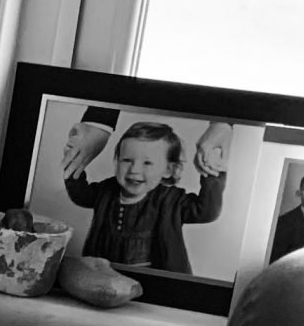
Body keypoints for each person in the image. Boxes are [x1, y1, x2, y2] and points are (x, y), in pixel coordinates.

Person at [61, 118, 230, 276]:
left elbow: (206, 212)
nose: (134, 169)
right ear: (116, 161)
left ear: (168, 170)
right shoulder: (107, 190)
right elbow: (80, 195)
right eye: (126, 160)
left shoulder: (172, 200)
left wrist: (212, 173)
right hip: (106, 275)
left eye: (147, 163)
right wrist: (72, 161)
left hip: (155, 279)